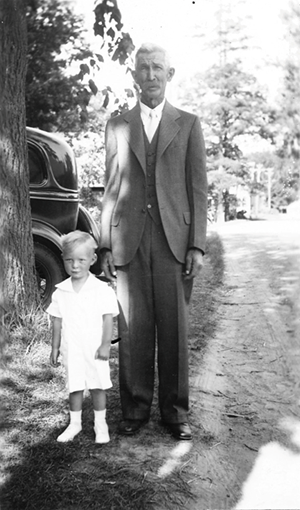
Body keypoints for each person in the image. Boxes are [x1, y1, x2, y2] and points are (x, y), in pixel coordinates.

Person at [100, 43, 207, 441]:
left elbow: (198, 188)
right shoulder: (117, 126)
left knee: (175, 329)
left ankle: (176, 413)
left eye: (157, 68)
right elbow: (112, 187)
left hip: (174, 242)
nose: (150, 75)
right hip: (129, 239)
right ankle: (135, 409)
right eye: (143, 68)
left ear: (170, 74)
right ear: (134, 76)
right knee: (133, 329)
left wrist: (196, 243)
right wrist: (106, 244)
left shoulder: (189, 124)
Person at [47, 230, 119, 443]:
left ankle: (100, 423)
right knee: (75, 385)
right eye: (69, 260)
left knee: (97, 385)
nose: (75, 266)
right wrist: (54, 347)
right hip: (73, 348)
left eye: (81, 260)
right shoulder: (61, 291)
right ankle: (75, 423)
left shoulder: (101, 289)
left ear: (93, 259)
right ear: (63, 260)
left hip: (95, 347)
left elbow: (108, 319)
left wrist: (106, 345)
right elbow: (57, 321)